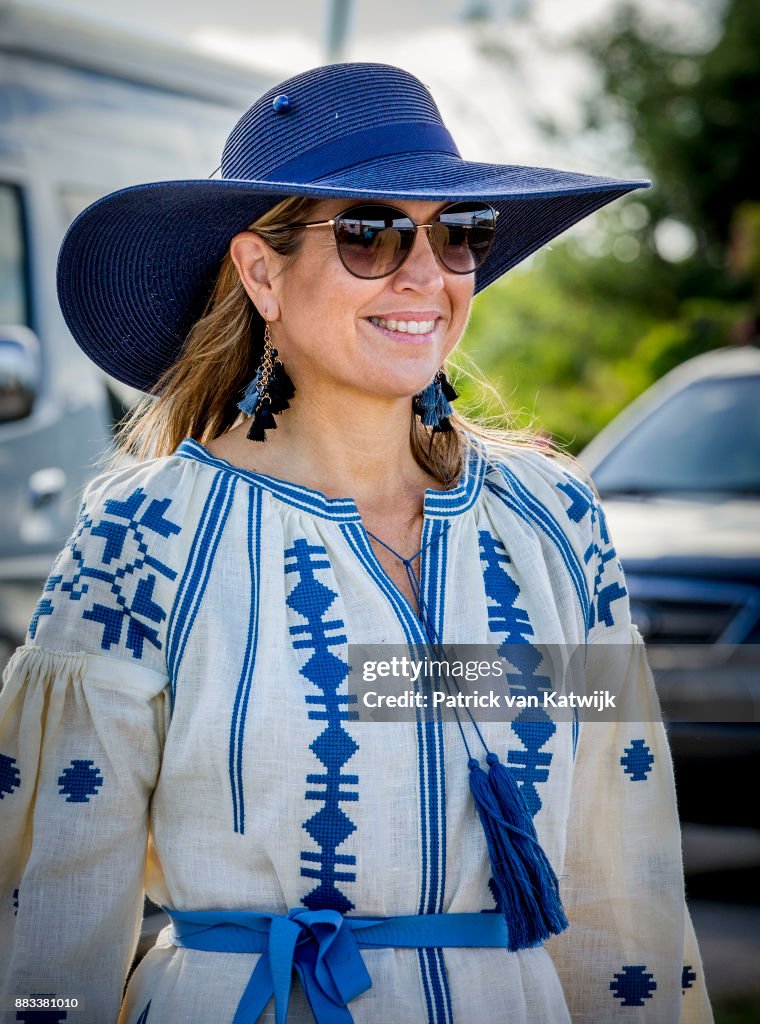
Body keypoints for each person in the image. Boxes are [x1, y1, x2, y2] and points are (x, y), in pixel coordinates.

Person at [0, 62, 713, 1024]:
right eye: (371, 234)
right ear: (262, 273)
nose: (428, 276)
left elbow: (620, 874)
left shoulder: (553, 520)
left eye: (459, 235)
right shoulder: (146, 537)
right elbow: (52, 911)